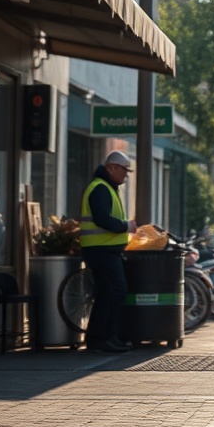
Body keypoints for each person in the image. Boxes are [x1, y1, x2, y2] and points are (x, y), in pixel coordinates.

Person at [79, 150, 137, 353]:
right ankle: (99, 338)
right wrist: (126, 226)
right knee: (114, 291)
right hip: (100, 250)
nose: (126, 175)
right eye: (124, 170)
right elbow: (102, 219)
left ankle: (106, 337)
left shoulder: (107, 187)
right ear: (112, 167)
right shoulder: (100, 188)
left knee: (109, 292)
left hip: (106, 250)